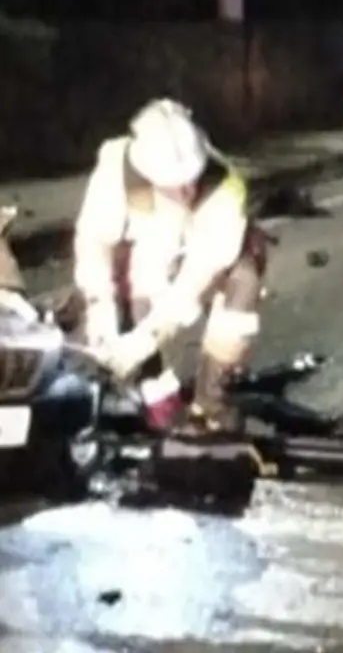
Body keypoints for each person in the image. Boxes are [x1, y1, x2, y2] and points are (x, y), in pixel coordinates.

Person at [72, 98, 267, 436]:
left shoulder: (224, 187)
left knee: (244, 281)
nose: (189, 190)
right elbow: (94, 244)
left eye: (193, 179)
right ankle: (158, 397)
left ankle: (211, 401)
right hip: (152, 251)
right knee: (134, 294)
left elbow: (194, 283)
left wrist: (145, 339)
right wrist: (99, 311)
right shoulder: (117, 168)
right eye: (177, 185)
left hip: (203, 259)